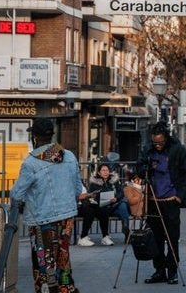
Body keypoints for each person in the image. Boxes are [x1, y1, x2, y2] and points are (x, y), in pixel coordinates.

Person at [10, 118, 84, 293]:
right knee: (62, 256)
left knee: (43, 260)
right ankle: (66, 287)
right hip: (67, 216)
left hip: (42, 219)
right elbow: (77, 188)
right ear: (52, 136)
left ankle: (46, 289)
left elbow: (16, 194)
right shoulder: (69, 156)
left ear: (35, 137)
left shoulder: (31, 163)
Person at [138, 121, 186, 285]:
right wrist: (143, 168)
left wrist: (181, 195)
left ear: (166, 138)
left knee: (172, 238)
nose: (157, 145)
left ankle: (172, 271)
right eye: (155, 142)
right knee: (155, 239)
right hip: (153, 201)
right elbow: (140, 169)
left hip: (170, 201)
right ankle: (159, 271)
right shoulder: (148, 150)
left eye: (160, 143)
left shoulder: (177, 150)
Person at [77, 163, 130, 246]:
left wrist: (116, 198)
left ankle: (126, 230)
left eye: (107, 170)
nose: (105, 172)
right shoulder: (94, 183)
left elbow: (121, 192)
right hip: (101, 206)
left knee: (122, 205)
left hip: (114, 205)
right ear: (99, 173)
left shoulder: (114, 181)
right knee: (102, 210)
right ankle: (105, 236)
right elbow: (93, 196)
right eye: (103, 170)